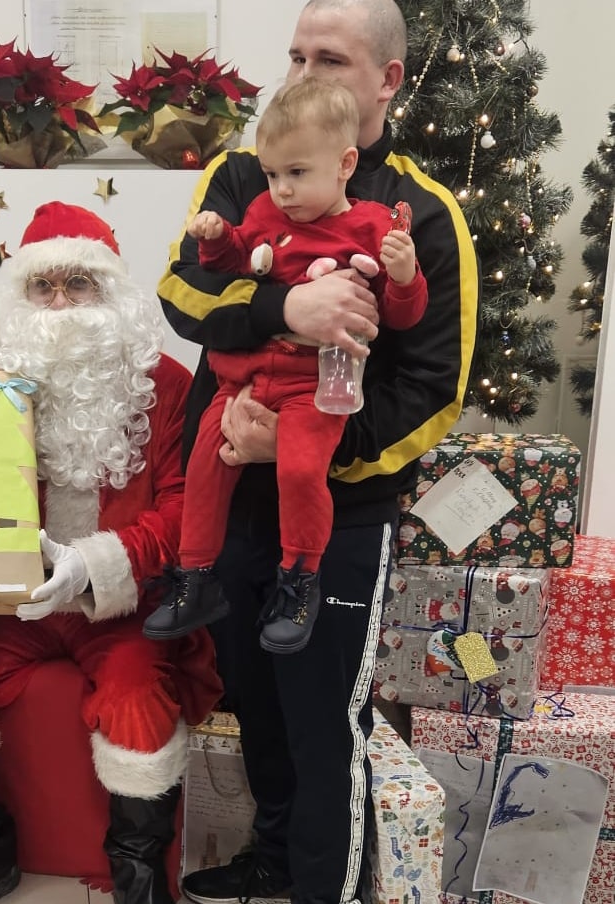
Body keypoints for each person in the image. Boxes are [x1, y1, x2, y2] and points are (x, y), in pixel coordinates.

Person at [158, 0, 479, 904]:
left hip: (339, 511)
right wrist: (280, 309)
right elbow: (180, 293)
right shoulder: (243, 170)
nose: (301, 72)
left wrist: (309, 450)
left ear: (387, 80)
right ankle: (273, 853)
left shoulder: (421, 212)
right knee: (253, 692)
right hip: (231, 494)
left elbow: (432, 390)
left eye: (329, 57)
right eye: (295, 53)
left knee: (319, 713)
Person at [0, 201, 221, 904]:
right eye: (45, 286)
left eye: (80, 283)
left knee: (137, 696)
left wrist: (98, 562)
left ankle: (138, 867)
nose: (63, 302)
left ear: (112, 293)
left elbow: (186, 511)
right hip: (13, 604)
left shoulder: (167, 386)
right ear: (21, 297)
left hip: (120, 601)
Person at [144, 76, 427, 654]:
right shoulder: (261, 211)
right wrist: (217, 238)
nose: (282, 190)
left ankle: (300, 581)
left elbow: (402, 318)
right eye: (272, 174)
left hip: (316, 386)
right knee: (204, 463)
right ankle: (196, 578)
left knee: (299, 471)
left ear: (345, 164)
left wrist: (403, 276)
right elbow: (227, 264)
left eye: (296, 173)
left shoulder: (374, 226)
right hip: (242, 379)